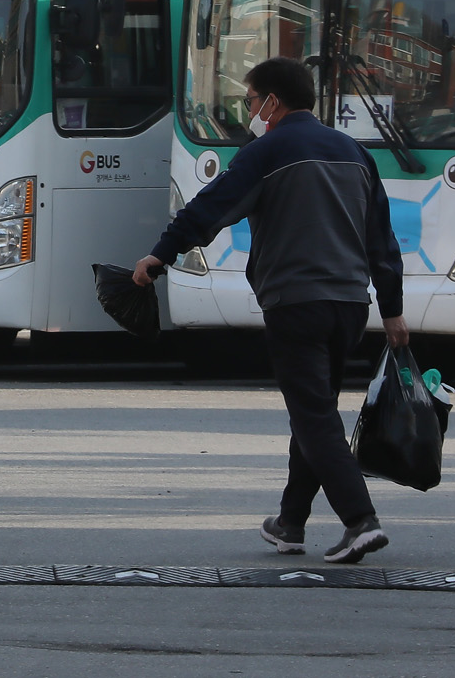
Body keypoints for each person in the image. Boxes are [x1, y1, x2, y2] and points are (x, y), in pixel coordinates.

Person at [133, 55, 407, 565]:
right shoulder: (354, 153)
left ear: (273, 102)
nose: (251, 110)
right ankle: (290, 522)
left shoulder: (268, 151)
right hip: (350, 306)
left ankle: (360, 521)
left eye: (252, 100)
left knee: (314, 416)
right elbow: (381, 239)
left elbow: (211, 207)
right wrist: (392, 311)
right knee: (314, 411)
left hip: (295, 303)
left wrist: (161, 253)